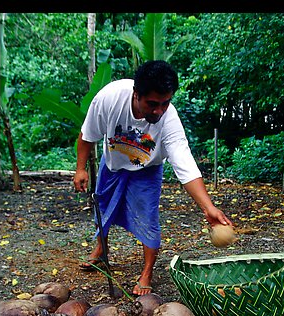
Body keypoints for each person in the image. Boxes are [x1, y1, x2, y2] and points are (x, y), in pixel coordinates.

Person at [73, 60, 232, 296]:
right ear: (136, 94)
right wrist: (80, 168)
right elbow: (87, 136)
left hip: (147, 170)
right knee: (103, 209)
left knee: (148, 219)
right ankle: (101, 250)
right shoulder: (110, 98)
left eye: (165, 103)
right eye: (152, 104)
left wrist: (208, 208)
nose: (159, 110)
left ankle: (147, 273)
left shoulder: (169, 120)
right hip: (113, 164)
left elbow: (184, 164)